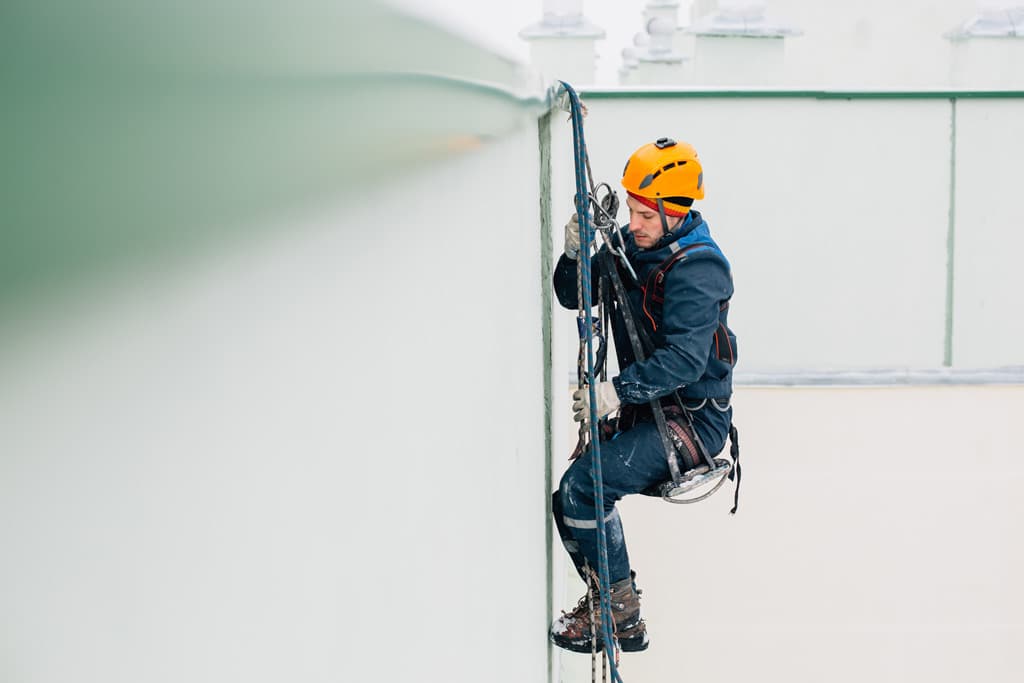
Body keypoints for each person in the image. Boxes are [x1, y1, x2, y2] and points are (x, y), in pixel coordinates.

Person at [549, 137, 738, 654]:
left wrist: (613, 392)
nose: (634, 224)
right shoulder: (637, 247)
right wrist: (574, 251)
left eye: (645, 214)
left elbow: (685, 360)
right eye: (632, 211)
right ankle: (608, 600)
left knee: (586, 486)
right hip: (648, 407)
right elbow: (572, 295)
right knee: (569, 501)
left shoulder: (700, 268)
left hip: (692, 422)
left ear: (675, 212)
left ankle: (620, 616)